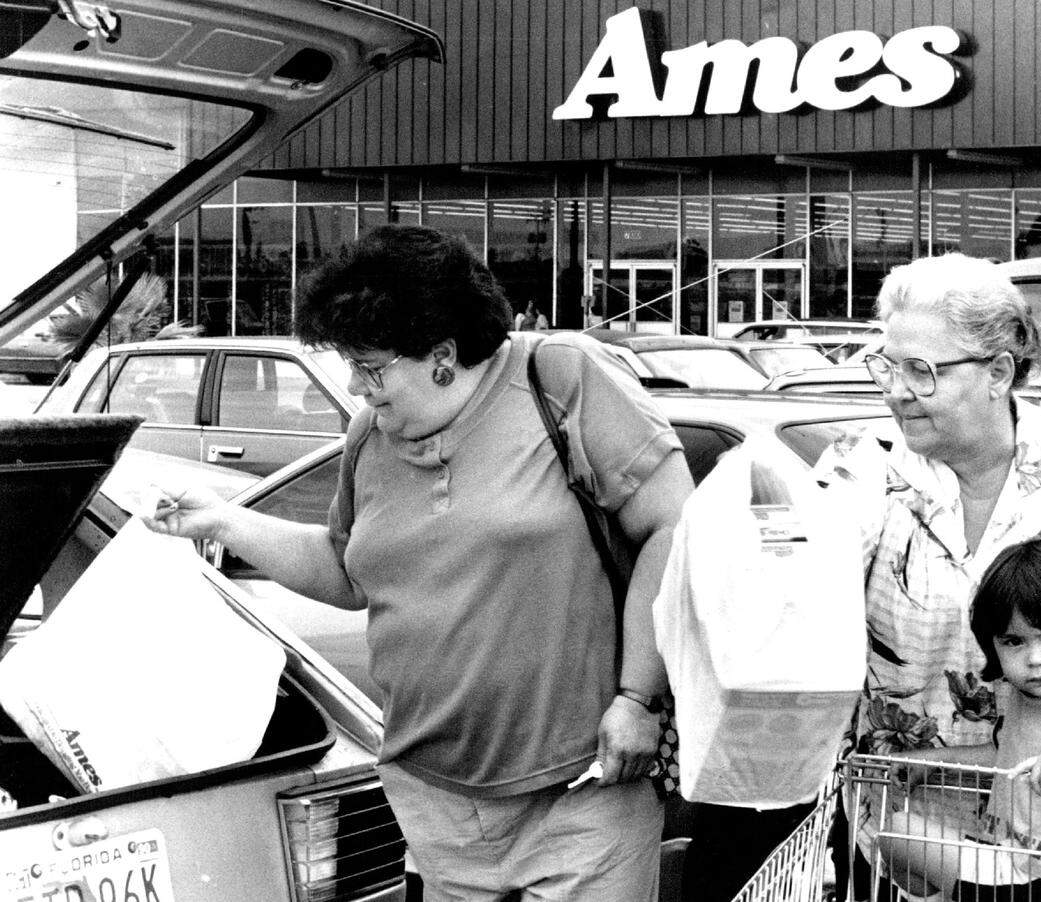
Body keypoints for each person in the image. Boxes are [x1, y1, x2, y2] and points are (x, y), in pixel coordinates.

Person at [143, 224, 694, 901]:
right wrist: (224, 521)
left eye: (370, 367)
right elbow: (347, 570)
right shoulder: (368, 436)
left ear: (442, 356)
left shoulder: (560, 379)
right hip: (435, 804)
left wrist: (638, 698)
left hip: (582, 793)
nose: (355, 385)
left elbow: (674, 527)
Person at [774, 252, 1041, 899]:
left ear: (999, 372)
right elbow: (798, 597)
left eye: (921, 370)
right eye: (888, 365)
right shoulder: (865, 468)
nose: (896, 389)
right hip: (903, 829)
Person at [881, 538, 1041, 902]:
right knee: (897, 832)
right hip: (1012, 863)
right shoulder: (1024, 697)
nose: (1035, 658)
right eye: (1014, 641)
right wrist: (935, 759)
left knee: (900, 835)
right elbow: (1008, 753)